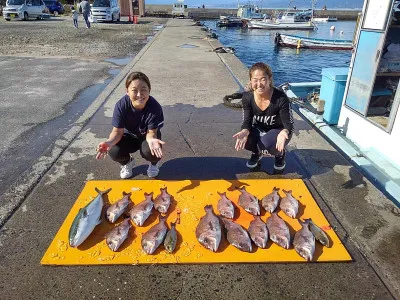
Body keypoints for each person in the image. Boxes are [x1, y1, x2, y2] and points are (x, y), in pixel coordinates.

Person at [96, 72, 165, 179]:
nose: (139, 94)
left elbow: (151, 133)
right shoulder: (121, 106)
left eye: (143, 90)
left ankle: (154, 164)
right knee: (113, 149)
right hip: (129, 137)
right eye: (134, 90)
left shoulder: (155, 107)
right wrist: (109, 142)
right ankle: (127, 162)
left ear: (149, 91)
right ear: (127, 91)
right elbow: (117, 131)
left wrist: (152, 140)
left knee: (153, 149)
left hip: (146, 136)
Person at [233, 62, 294, 172]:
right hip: (259, 129)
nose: (259, 84)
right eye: (255, 80)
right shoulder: (247, 97)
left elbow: (288, 124)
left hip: (279, 130)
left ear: (269, 79)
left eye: (263, 79)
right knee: (245, 140)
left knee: (266, 145)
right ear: (251, 81)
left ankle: (280, 155)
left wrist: (284, 132)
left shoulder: (280, 98)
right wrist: (244, 131)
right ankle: (256, 153)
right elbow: (247, 120)